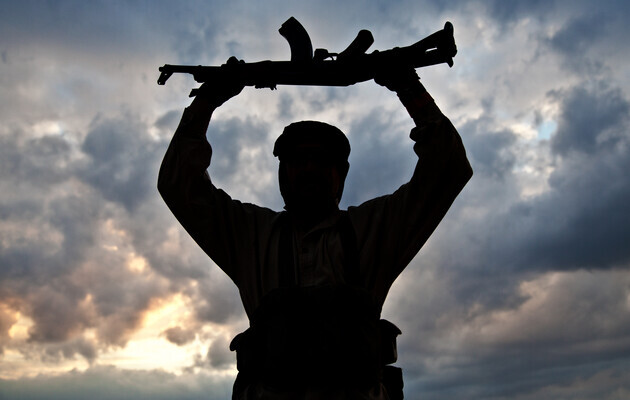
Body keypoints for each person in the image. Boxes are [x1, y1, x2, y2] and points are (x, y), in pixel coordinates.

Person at [158, 58, 472, 399]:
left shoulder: (374, 229)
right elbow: (180, 183)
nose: (309, 169)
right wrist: (206, 102)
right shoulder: (250, 235)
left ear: (341, 174)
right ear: (283, 173)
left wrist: (410, 90)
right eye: (298, 160)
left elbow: (447, 167)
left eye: (322, 160)